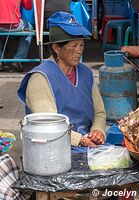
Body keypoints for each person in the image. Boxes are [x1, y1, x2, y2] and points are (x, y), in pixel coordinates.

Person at [17, 11, 106, 150]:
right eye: (73, 46)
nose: (79, 51)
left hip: (87, 143)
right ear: (56, 48)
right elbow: (49, 125)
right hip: (54, 148)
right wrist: (80, 140)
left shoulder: (86, 73)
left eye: (81, 45)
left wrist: (98, 131)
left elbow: (99, 112)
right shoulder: (41, 78)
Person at [0, 0, 33, 72]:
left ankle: (0, 61)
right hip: (14, 25)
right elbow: (28, 7)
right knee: (29, 29)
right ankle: (18, 59)